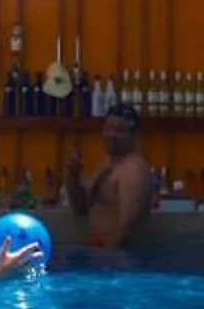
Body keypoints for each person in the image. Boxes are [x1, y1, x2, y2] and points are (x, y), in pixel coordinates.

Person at [61, 103, 156, 248]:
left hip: (117, 260)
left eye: (120, 130)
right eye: (108, 128)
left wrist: (108, 260)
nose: (112, 135)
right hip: (101, 254)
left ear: (135, 135)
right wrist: (72, 178)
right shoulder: (106, 164)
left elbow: (127, 227)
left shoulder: (133, 170)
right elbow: (81, 209)